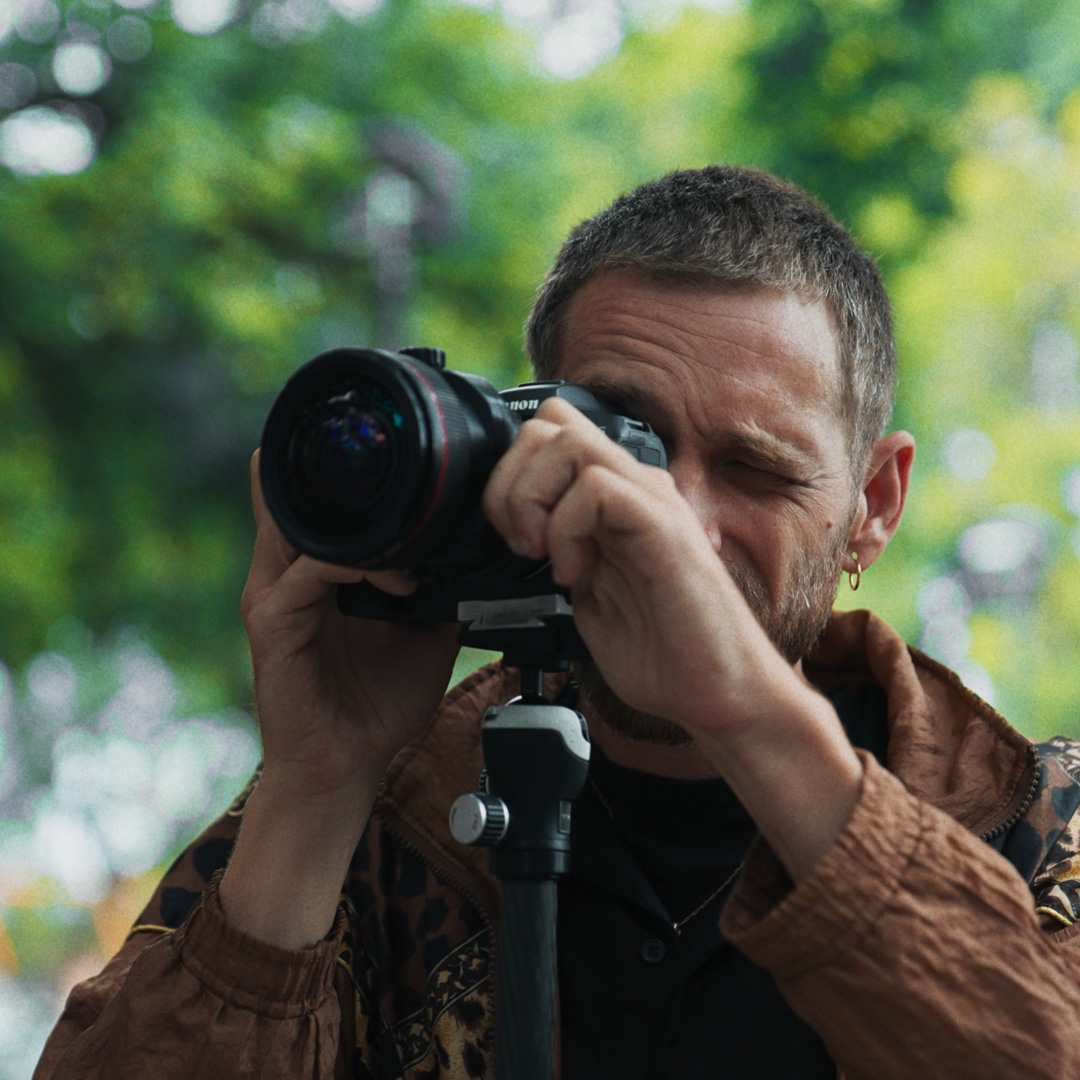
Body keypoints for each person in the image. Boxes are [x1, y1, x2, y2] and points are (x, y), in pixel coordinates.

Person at [34, 166, 1080, 1080]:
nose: (676, 526)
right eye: (631, 449)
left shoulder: (1035, 823)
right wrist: (319, 788)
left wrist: (749, 713)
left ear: (876, 506)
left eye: (757, 471)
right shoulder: (381, 818)